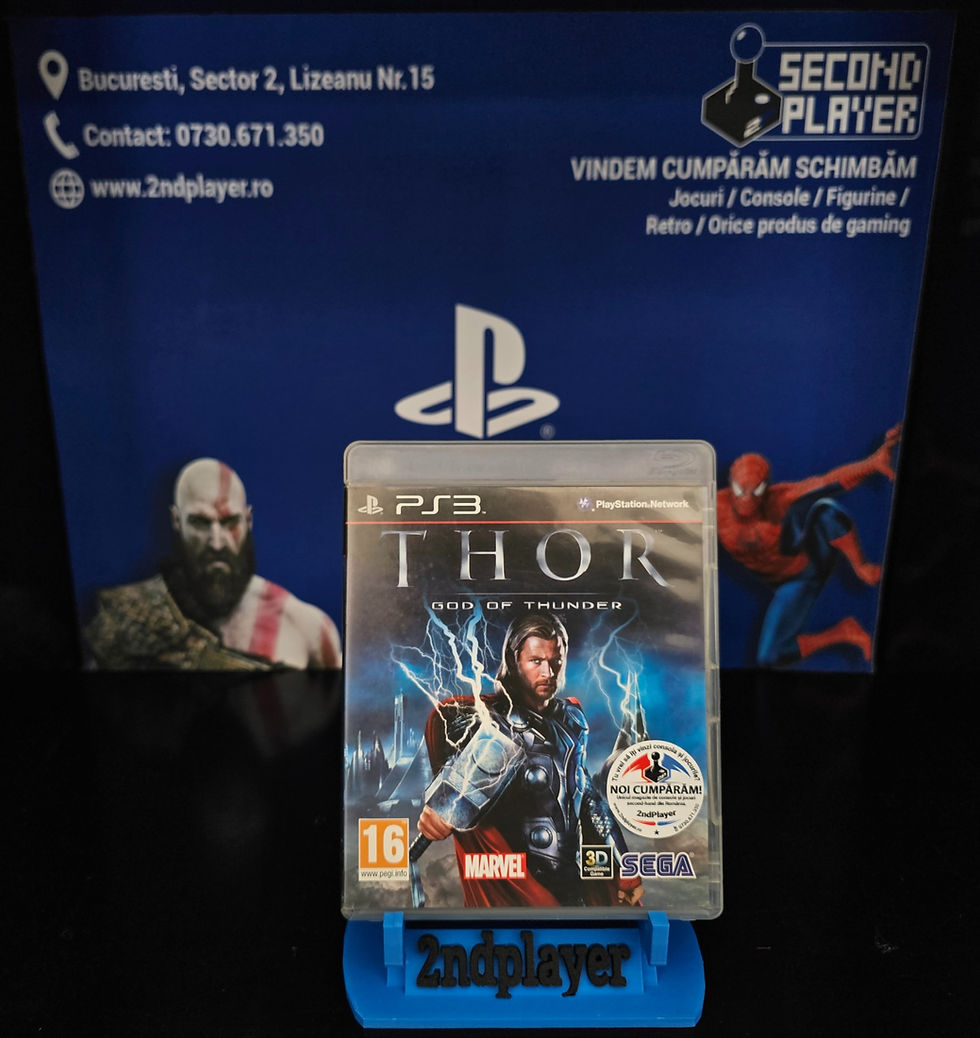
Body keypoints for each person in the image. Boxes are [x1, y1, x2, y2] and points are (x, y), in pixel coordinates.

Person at [417, 613, 642, 908]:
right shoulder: (488, 723)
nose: (548, 672)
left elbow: (587, 798)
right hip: (517, 889)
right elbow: (458, 770)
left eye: (556, 661)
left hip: (573, 882)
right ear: (515, 662)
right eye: (536, 661)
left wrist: (623, 864)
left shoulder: (572, 721)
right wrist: (440, 809)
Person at [84, 458, 341, 671]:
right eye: (200, 522)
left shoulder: (307, 629)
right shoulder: (123, 621)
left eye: (229, 522)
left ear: (248, 521)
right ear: (176, 521)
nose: (216, 543)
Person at [717, 425, 900, 666]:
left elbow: (829, 481)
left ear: (766, 487)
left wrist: (872, 463)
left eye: (756, 490)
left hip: (807, 568)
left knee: (825, 509)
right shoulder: (714, 507)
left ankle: (861, 566)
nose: (747, 499)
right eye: (741, 490)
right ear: (731, 484)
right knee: (770, 656)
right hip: (785, 586)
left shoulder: (782, 498)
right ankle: (844, 632)